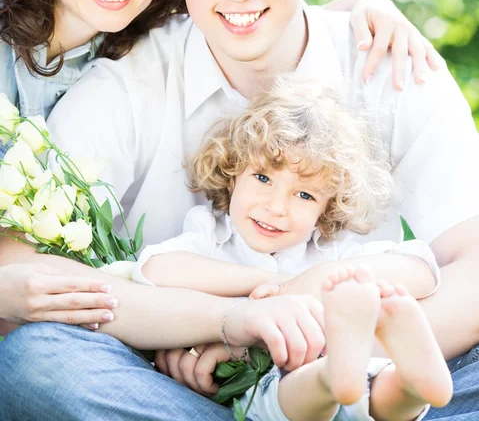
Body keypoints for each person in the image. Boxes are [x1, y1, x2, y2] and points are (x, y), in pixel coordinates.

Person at [0, 0, 476, 421]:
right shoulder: (123, 81)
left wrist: (308, 356)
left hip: (365, 372)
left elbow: (472, 262)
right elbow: (25, 268)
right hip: (174, 382)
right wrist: (224, 330)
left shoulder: (391, 63)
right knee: (35, 362)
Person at [135, 74, 452, 420]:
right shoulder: (212, 234)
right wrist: (268, 283)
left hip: (343, 367)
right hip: (275, 379)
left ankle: (412, 383)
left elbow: (422, 269)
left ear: (327, 207)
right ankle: (349, 380)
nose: (277, 207)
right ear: (232, 170)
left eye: (305, 194)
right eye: (263, 178)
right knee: (297, 391)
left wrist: (322, 280)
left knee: (373, 395)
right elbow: (154, 268)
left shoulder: (327, 251)